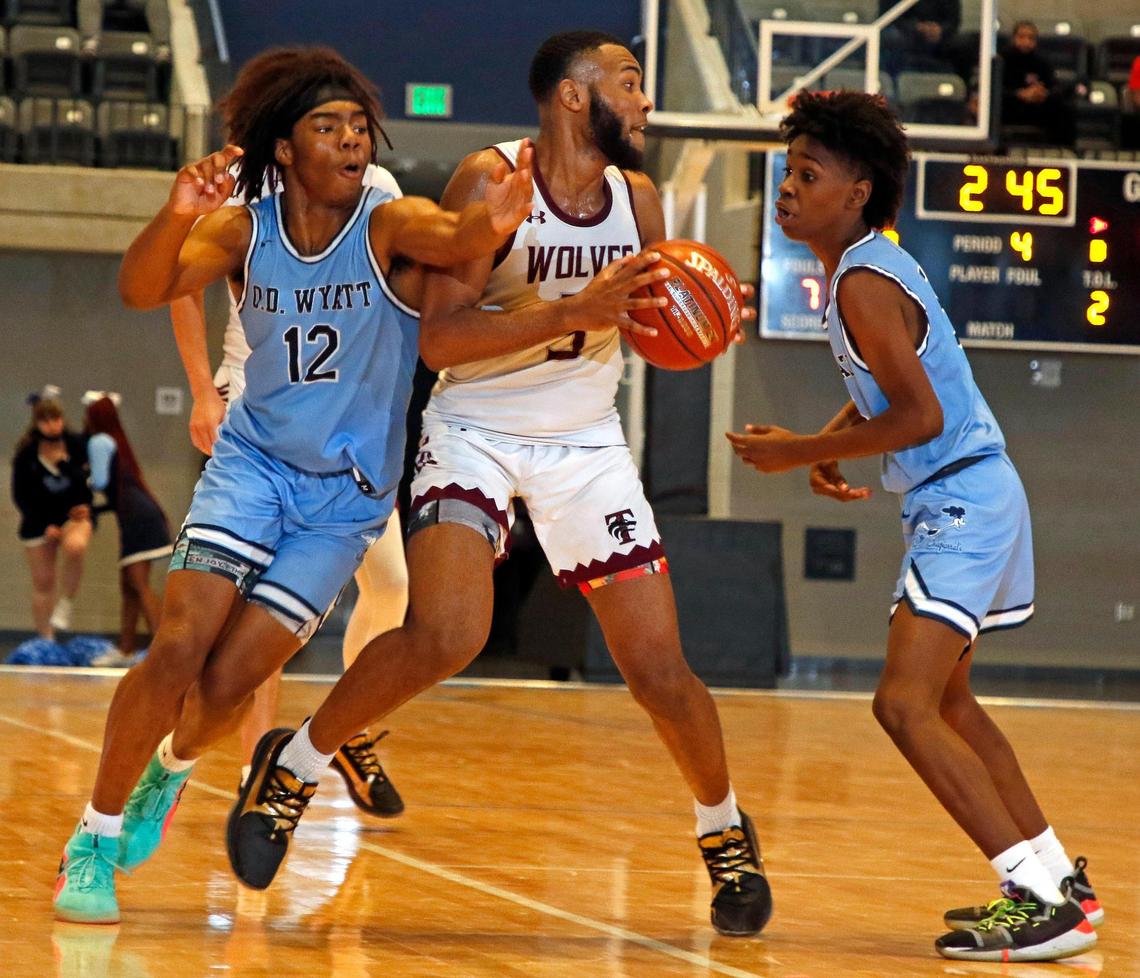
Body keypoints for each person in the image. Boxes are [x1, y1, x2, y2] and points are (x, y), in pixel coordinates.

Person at [229, 30, 773, 939]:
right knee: (447, 633)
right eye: (629, 83)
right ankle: (296, 765)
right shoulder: (491, 180)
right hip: (475, 426)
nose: (644, 102)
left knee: (659, 670)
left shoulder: (638, 198)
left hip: (584, 440)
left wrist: (700, 315)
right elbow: (440, 339)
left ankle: (725, 832)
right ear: (573, 95)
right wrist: (572, 310)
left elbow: (647, 319)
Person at [52, 44, 534, 925]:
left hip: (343, 501)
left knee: (228, 687)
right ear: (284, 147)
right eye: (328, 126)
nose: (352, 140)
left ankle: (171, 769)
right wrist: (175, 213)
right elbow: (141, 287)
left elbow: (453, 236)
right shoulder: (245, 231)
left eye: (359, 126)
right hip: (254, 466)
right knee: (179, 644)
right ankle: (92, 836)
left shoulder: (386, 220)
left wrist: (493, 222)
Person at [727, 90, 1100, 962]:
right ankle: (1060, 881)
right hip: (975, 492)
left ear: (857, 193)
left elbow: (922, 415)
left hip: (962, 499)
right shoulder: (866, 269)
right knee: (949, 703)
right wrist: (833, 441)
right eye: (788, 171)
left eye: (808, 174)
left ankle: (1037, 899)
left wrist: (800, 450)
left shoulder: (863, 280)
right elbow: (899, 390)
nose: (788, 188)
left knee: (901, 703)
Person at [168, 155, 409, 813]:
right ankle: (256, 769)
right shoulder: (240, 187)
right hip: (258, 411)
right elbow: (180, 285)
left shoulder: (377, 187)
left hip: (345, 426)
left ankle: (344, 728)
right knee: (268, 609)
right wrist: (201, 391)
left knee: (392, 585)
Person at [82, 394, 172, 661]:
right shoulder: (116, 439)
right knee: (129, 586)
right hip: (141, 515)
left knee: (139, 584)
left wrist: (79, 479)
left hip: (138, 519)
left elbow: (99, 482)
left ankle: (163, 651)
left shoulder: (99, 440)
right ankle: (126, 648)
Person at [10, 394, 93, 639]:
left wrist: (86, 504)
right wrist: (43, 525)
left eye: (55, 419)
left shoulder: (75, 445)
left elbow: (87, 482)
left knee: (76, 547)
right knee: (43, 582)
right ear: (37, 424)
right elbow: (20, 495)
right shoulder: (26, 454)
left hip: (71, 515)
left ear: (62, 419)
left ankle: (66, 602)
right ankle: (46, 637)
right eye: (45, 421)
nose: (52, 425)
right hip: (39, 521)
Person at [999, 21, 1075, 146]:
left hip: (1035, 107)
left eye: (1031, 38)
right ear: (1013, 38)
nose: (1026, 42)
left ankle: (1062, 151)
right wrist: (1019, 94)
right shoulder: (1002, 59)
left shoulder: (1042, 62)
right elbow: (994, 89)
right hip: (1010, 106)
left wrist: (1044, 93)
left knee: (1064, 109)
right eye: (1022, 37)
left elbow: (1054, 86)